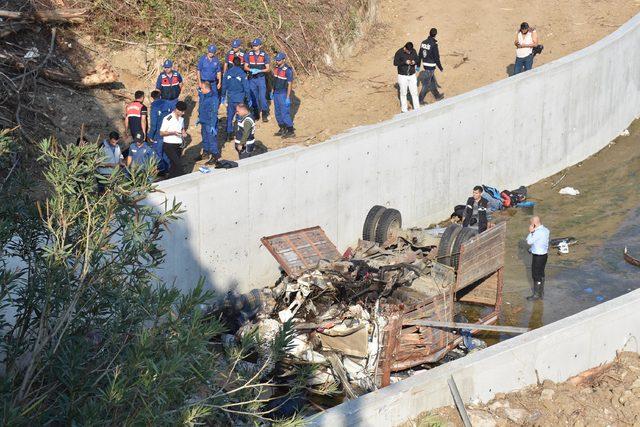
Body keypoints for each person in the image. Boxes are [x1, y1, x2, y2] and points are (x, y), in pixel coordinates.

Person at [221, 57, 251, 141]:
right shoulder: (242, 73)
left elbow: (224, 85)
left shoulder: (227, 72)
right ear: (240, 63)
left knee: (229, 116)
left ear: (233, 63)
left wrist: (223, 96)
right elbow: (246, 87)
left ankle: (228, 134)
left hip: (230, 98)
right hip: (240, 98)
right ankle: (239, 134)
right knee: (240, 117)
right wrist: (249, 98)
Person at [244, 38, 270, 122]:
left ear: (260, 46)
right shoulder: (249, 54)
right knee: (253, 97)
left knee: (262, 97)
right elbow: (245, 66)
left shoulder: (264, 55)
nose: (254, 47)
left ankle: (265, 113)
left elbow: (268, 69)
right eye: (253, 45)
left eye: (256, 45)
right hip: (251, 78)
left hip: (261, 78)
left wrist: (260, 71)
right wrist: (250, 70)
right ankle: (256, 114)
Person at [159, 101, 187, 179]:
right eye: (182, 111)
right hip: (169, 145)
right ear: (177, 110)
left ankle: (171, 179)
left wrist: (183, 133)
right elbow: (161, 133)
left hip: (178, 144)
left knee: (174, 165)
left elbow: (182, 129)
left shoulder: (181, 119)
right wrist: (173, 133)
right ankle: (183, 178)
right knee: (178, 164)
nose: (183, 113)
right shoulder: (168, 118)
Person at [271, 52, 295, 138]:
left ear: (284, 60)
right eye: (276, 60)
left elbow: (289, 84)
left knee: (284, 113)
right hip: (276, 93)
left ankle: (290, 130)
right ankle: (282, 128)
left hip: (283, 93)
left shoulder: (288, 70)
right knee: (277, 113)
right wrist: (272, 91)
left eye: (279, 60)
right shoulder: (276, 68)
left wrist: (288, 97)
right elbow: (274, 81)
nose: (277, 62)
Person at [418, 28, 444, 104]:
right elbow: (436, 58)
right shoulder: (434, 45)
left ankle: (437, 96)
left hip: (425, 65)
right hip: (431, 66)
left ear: (429, 33)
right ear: (435, 35)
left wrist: (418, 65)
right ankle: (420, 100)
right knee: (426, 85)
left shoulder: (423, 42)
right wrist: (440, 67)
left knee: (432, 81)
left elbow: (420, 54)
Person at [526, 216, 549, 301]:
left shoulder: (537, 232)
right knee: (541, 273)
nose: (530, 225)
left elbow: (529, 241)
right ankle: (541, 292)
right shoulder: (546, 230)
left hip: (538, 256)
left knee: (536, 275)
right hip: (544, 255)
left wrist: (531, 232)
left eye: (531, 223)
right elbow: (539, 242)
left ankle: (536, 295)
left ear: (534, 224)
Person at [148, 90, 171, 174]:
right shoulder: (168, 104)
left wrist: (150, 135)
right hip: (168, 132)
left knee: (158, 152)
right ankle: (168, 170)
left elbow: (154, 123)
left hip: (158, 133)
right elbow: (171, 117)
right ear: (160, 96)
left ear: (152, 98)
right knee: (166, 152)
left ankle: (161, 171)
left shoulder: (154, 107)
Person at [393, 42, 420, 113]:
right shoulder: (399, 52)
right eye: (408, 51)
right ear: (405, 48)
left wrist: (414, 62)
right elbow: (395, 63)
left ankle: (417, 108)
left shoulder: (413, 51)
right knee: (403, 93)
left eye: (410, 51)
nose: (409, 52)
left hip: (412, 75)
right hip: (402, 76)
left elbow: (417, 59)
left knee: (414, 92)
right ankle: (404, 110)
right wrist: (405, 62)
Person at [197, 81, 220, 165]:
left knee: (211, 140)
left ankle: (215, 156)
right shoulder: (203, 95)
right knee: (205, 138)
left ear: (207, 89)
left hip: (210, 123)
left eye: (202, 88)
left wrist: (213, 125)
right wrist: (199, 118)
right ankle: (205, 153)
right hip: (203, 120)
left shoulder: (214, 98)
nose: (201, 90)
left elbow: (214, 112)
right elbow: (201, 107)